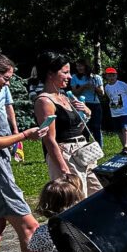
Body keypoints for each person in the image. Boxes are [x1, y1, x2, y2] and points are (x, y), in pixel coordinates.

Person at [0, 53, 47, 252]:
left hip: (0, 166)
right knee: (30, 226)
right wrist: (25, 136)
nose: (7, 83)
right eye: (5, 78)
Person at [34, 51, 102, 196]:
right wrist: (64, 169)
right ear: (50, 74)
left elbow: (77, 128)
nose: (70, 77)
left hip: (82, 152)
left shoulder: (64, 96)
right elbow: (49, 139)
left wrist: (87, 113)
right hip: (65, 155)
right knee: (77, 199)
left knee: (98, 194)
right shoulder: (44, 101)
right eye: (65, 72)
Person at [102, 67, 127, 154]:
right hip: (114, 112)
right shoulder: (106, 87)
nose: (111, 77)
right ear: (106, 77)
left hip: (125, 111)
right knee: (118, 130)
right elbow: (110, 97)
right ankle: (124, 147)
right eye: (109, 76)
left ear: (116, 75)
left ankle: (126, 146)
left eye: (113, 75)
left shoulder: (123, 85)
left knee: (125, 127)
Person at [70, 59, 103, 140]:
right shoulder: (74, 77)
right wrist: (83, 86)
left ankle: (99, 150)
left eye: (80, 66)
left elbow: (102, 93)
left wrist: (94, 87)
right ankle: (85, 149)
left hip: (95, 105)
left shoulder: (96, 77)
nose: (78, 68)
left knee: (96, 128)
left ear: (86, 66)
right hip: (82, 105)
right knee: (84, 128)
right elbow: (75, 93)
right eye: (77, 66)